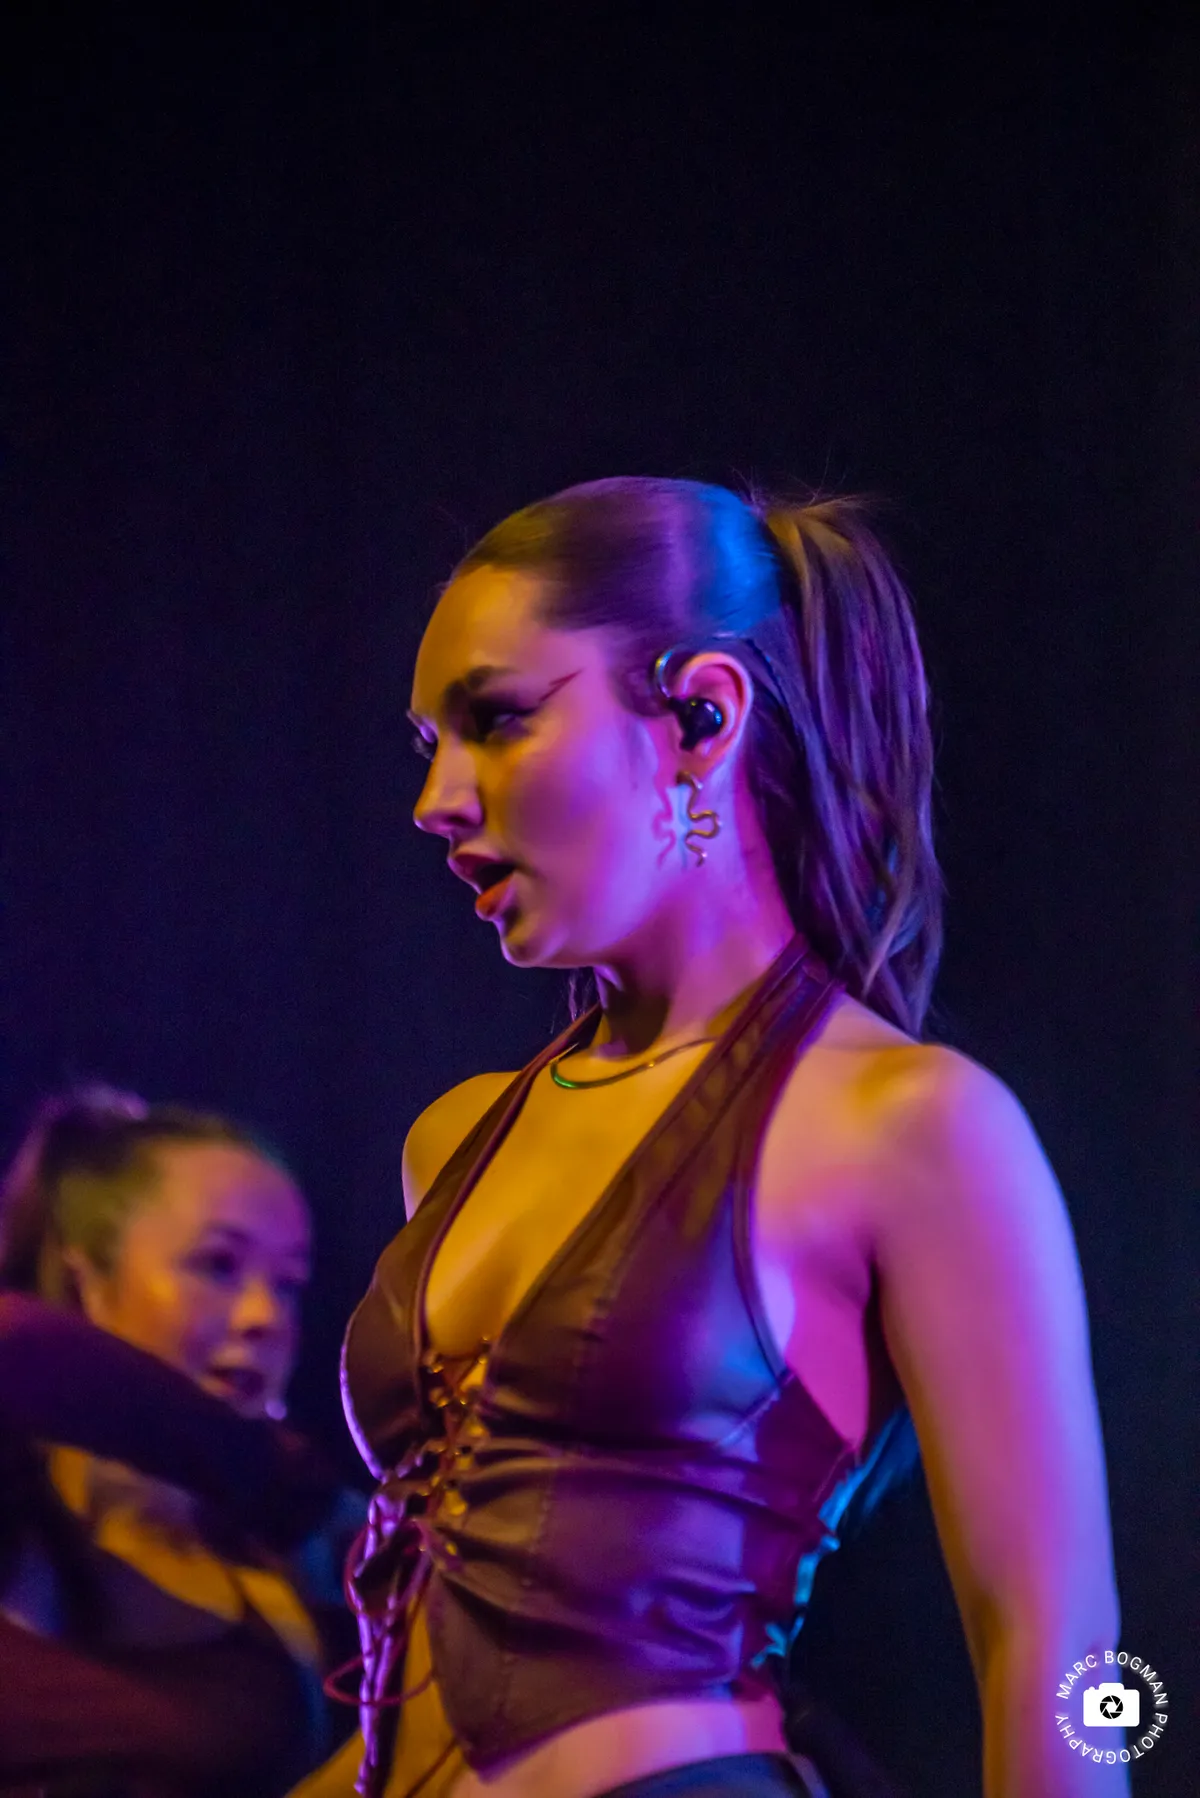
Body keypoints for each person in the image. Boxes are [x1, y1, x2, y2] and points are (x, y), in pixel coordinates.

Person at [316, 479, 1123, 1798]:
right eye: (428, 742)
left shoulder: (911, 1125)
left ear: (702, 715)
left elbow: (1068, 1644)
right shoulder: (452, 1141)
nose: (436, 799)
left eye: (498, 718)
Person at [0, 1085, 352, 1798]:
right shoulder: (21, 1497)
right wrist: (277, 1480)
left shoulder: (297, 1557)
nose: (264, 1316)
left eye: (289, 1284)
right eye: (218, 1266)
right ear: (87, 1281)